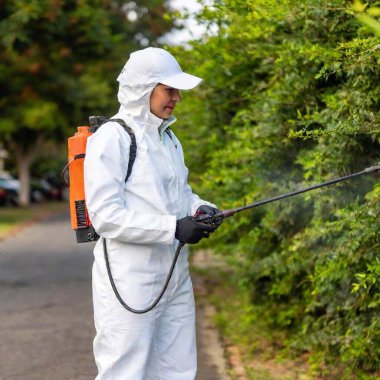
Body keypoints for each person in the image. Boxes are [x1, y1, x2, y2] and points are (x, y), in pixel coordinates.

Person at [84, 47, 222, 380]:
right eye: (168, 89)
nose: (176, 98)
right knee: (125, 371)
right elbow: (106, 216)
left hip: (174, 275)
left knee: (178, 369)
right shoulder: (112, 138)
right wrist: (172, 229)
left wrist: (199, 209)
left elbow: (180, 194)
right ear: (143, 89)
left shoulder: (168, 138)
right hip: (130, 279)